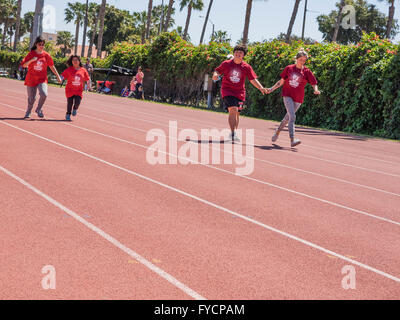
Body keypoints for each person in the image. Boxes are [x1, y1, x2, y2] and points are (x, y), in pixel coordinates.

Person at [266, 48, 320, 147]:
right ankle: (292, 139)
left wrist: (315, 89)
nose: (302, 62)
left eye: (304, 60)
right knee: (292, 116)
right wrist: (271, 89)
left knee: (287, 118)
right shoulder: (289, 68)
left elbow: (314, 82)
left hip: (298, 98)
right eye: (301, 60)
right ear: (296, 59)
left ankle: (277, 132)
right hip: (287, 95)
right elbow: (281, 82)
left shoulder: (307, 71)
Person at [212, 44, 267, 141]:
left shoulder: (246, 67)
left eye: (240, 52)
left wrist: (261, 88)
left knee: (237, 113)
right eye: (236, 52)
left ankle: (234, 133)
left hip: (240, 93)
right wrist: (215, 75)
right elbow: (217, 71)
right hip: (227, 90)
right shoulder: (226, 64)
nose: (238, 54)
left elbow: (252, 79)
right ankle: (233, 133)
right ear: (234, 53)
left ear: (243, 55)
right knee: (233, 109)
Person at [21, 36, 62, 119]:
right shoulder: (31, 54)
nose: (42, 46)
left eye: (43, 44)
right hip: (31, 79)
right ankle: (28, 111)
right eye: (40, 44)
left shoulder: (46, 55)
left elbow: (52, 66)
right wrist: (32, 60)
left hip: (42, 79)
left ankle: (39, 109)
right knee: (32, 98)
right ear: (36, 44)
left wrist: (58, 76)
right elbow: (24, 65)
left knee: (44, 94)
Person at [60, 55, 90, 121]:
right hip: (69, 89)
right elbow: (62, 75)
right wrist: (60, 79)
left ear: (79, 61)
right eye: (73, 60)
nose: (75, 61)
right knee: (69, 103)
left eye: (76, 60)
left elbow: (88, 78)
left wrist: (88, 85)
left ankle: (75, 108)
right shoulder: (69, 69)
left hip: (78, 90)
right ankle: (68, 114)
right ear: (71, 61)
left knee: (77, 102)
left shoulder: (83, 70)